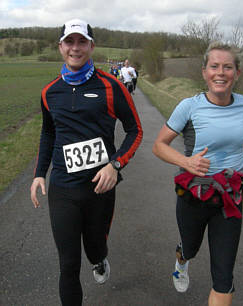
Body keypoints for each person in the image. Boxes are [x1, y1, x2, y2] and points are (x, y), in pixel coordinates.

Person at [30, 18, 143, 306]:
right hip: (64, 188)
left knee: (95, 250)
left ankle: (99, 259)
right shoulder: (49, 92)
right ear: (60, 47)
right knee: (68, 265)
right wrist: (39, 173)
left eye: (82, 42)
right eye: (70, 42)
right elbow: (48, 132)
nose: (75, 48)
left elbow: (135, 130)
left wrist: (115, 165)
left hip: (99, 187)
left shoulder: (111, 86)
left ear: (92, 46)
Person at [152, 42, 243, 306]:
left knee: (224, 277)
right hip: (194, 196)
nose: (221, 72)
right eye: (214, 66)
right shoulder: (188, 107)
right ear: (204, 72)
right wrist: (186, 162)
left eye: (228, 67)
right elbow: (159, 146)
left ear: (237, 73)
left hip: (230, 198)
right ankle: (181, 260)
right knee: (190, 248)